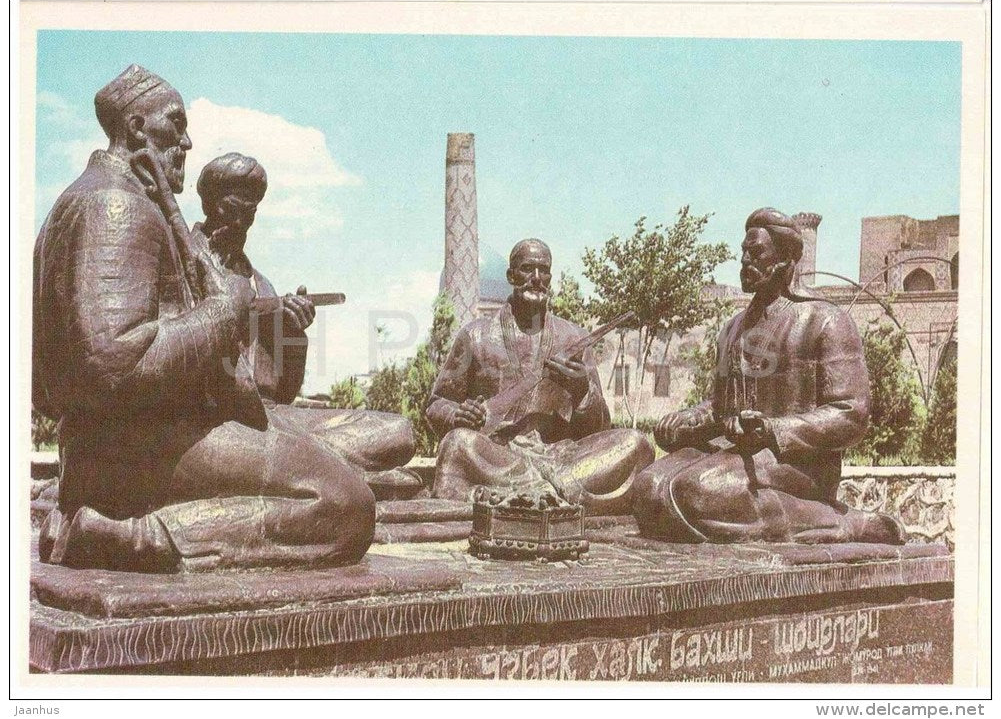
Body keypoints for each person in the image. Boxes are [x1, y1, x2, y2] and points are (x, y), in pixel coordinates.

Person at [33, 65, 376, 572]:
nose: (186, 142)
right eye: (176, 124)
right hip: (128, 448)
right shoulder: (116, 204)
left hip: (120, 440)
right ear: (136, 128)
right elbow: (115, 364)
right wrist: (224, 311)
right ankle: (125, 535)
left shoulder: (98, 200)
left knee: (335, 458)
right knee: (343, 504)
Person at [631, 208, 905, 544]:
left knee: (697, 490)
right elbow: (720, 406)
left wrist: (774, 429)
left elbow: (851, 413)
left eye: (756, 253)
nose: (745, 261)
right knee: (648, 487)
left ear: (787, 258)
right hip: (734, 455)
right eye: (743, 253)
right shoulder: (732, 329)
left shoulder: (826, 320)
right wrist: (690, 419)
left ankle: (840, 521)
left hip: (798, 464)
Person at [193, 153, 416, 475]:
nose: (240, 222)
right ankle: (329, 469)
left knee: (397, 431)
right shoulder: (183, 262)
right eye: (232, 209)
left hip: (269, 417)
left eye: (251, 212)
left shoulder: (261, 284)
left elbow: (284, 393)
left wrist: (292, 332)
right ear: (209, 203)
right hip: (214, 421)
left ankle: (314, 465)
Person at [427, 238, 654, 514]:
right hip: (499, 456)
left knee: (635, 443)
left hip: (561, 459)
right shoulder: (476, 335)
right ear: (511, 276)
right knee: (458, 442)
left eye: (543, 270)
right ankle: (552, 492)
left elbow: (601, 428)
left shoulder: (574, 337)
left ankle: (533, 490)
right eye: (527, 269)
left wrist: (582, 393)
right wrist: (458, 415)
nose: (536, 278)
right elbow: (436, 404)